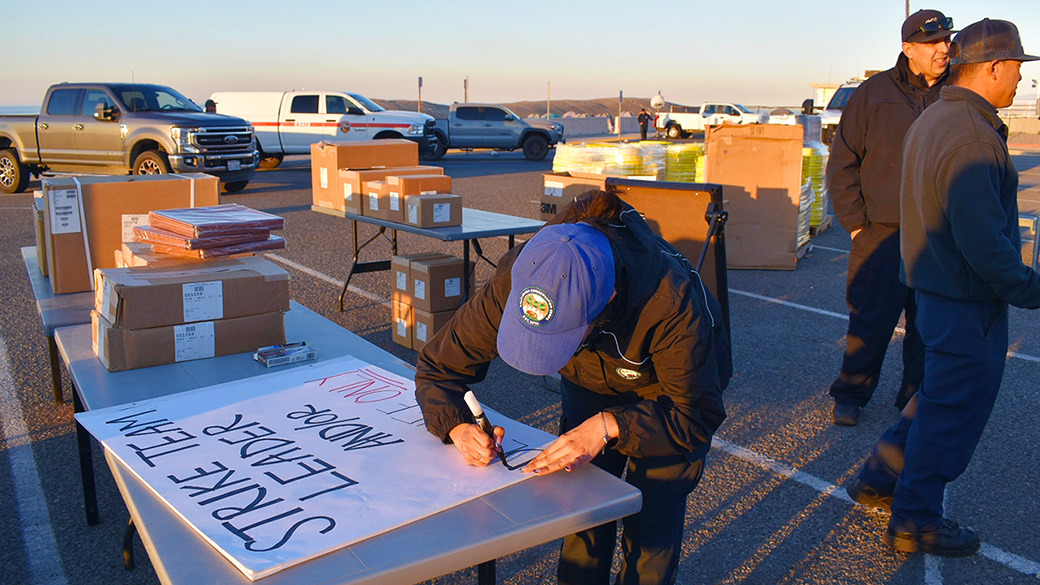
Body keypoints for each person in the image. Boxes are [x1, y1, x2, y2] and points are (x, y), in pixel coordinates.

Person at [414, 190, 730, 585]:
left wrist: (609, 427)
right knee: (582, 511)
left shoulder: (671, 302)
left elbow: (696, 414)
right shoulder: (523, 275)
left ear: (608, 299)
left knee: (652, 524)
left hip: (670, 395)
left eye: (562, 336)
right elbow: (438, 367)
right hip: (591, 382)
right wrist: (457, 427)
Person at [846, 18, 1040, 557]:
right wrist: (1028, 287)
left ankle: (879, 477)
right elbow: (982, 240)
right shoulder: (972, 134)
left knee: (935, 398)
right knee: (953, 412)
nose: (1021, 80)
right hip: (965, 300)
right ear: (995, 67)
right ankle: (916, 519)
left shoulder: (937, 118)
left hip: (935, 290)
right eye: (1019, 68)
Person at [826, 9, 954, 426]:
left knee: (928, 325)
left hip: (937, 234)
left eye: (946, 41)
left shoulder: (957, 92)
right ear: (908, 48)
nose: (943, 49)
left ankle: (914, 398)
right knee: (870, 319)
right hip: (881, 232)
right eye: (933, 43)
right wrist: (856, 223)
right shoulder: (874, 92)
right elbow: (843, 159)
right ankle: (851, 393)